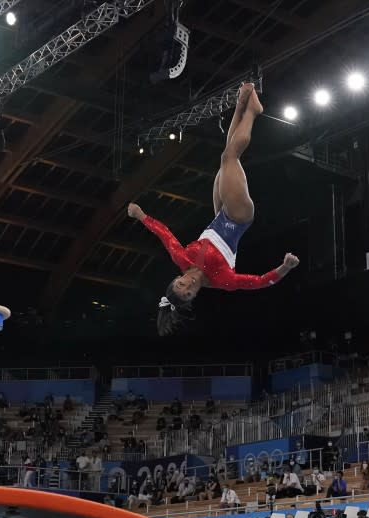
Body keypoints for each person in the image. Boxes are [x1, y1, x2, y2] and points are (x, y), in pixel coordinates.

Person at [126, 82, 300, 335]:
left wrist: (141, 216)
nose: (190, 285)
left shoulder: (182, 259)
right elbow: (259, 282)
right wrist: (285, 267)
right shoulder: (222, 281)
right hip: (238, 217)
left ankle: (241, 105)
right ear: (192, 297)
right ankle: (252, 110)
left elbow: (164, 234)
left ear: (178, 279)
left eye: (182, 284)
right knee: (230, 158)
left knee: (225, 156)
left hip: (219, 216)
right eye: (188, 293)